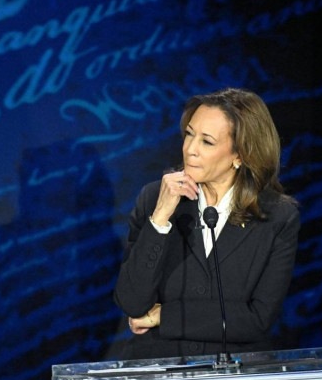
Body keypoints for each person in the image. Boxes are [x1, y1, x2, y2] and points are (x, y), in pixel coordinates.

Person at [114, 87, 300, 360]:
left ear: (241, 155)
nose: (190, 149)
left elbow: (256, 319)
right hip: (160, 374)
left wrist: (165, 315)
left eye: (207, 142)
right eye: (189, 134)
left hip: (235, 378)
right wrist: (160, 218)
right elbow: (132, 302)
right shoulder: (154, 198)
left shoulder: (277, 216)